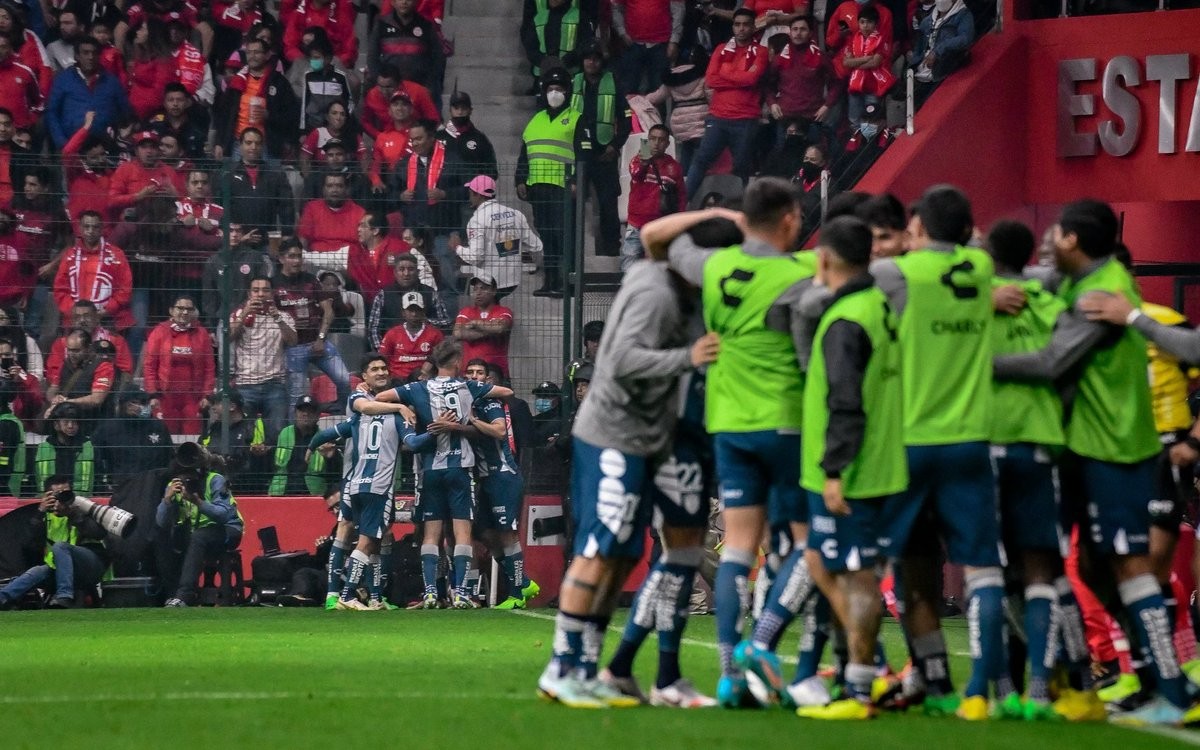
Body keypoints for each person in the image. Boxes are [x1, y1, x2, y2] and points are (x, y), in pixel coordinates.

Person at [996, 201, 1197, 725]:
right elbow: (1030, 273)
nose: (1046, 242)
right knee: (1087, 566)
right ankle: (1147, 675)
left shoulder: (1099, 293)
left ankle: (1172, 691)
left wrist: (970, 362)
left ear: (1071, 240)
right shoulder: (1081, 278)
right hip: (1086, 447)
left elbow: (1050, 363)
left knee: (1130, 566)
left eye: (1054, 233)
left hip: (1115, 449)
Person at [536, 213, 721, 708]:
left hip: (643, 438)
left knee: (622, 554)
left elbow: (655, 235)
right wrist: (689, 358)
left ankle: (589, 669)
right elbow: (620, 363)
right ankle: (561, 667)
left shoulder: (670, 283)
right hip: (613, 436)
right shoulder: (656, 293)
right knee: (600, 549)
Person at [644, 182, 817, 709]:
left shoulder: (715, 267)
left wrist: (715, 211)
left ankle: (728, 676)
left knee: (737, 549)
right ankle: (762, 642)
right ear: (789, 219)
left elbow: (658, 239)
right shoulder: (800, 275)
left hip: (729, 423)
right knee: (811, 546)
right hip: (787, 421)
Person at [785, 216, 906, 720]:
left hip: (851, 471)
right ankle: (861, 676)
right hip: (878, 462)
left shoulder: (844, 321)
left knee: (855, 577)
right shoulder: (878, 307)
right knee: (831, 564)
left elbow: (845, 400)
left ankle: (859, 690)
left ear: (827, 258)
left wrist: (834, 469)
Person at [376, 340, 512, 609]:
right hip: (460, 468)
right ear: (456, 361)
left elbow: (381, 397)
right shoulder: (468, 386)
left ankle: (429, 592)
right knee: (462, 532)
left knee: (431, 534)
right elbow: (506, 391)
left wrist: (402, 407)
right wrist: (470, 415)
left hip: (431, 469)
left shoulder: (418, 387)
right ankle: (460, 592)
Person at [334, 353, 425, 610]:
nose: (381, 372)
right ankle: (347, 594)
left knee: (377, 537)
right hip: (377, 485)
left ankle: (374, 597)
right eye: (374, 369)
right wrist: (432, 429)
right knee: (367, 540)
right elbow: (413, 443)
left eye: (384, 368)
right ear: (364, 376)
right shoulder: (368, 401)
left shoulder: (377, 401)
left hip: (360, 483)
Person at [462, 359, 540, 610]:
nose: (475, 376)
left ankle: (517, 592)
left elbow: (498, 432)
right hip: (485, 479)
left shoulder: (490, 402)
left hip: (503, 476)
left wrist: (473, 421)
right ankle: (524, 582)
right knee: (483, 533)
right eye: (470, 372)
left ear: (487, 378)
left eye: (480, 373)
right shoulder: (466, 403)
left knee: (507, 534)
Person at [683, 9, 768, 198]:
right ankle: (681, 207)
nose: (741, 29)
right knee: (701, 160)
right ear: (733, 27)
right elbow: (711, 80)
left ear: (754, 27)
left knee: (742, 167)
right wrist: (740, 78)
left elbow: (751, 80)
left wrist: (727, 71)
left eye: (746, 24)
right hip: (718, 117)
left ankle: (742, 213)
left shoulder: (761, 52)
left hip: (745, 118)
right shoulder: (721, 49)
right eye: (737, 24)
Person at [517, 67, 584, 298]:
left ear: (567, 92)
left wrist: (576, 181)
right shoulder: (536, 119)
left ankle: (567, 283)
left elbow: (583, 155)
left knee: (563, 236)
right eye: (550, 89)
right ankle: (550, 281)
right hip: (539, 187)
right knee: (546, 235)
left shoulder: (576, 118)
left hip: (564, 187)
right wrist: (520, 179)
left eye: (559, 89)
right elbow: (525, 152)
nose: (554, 93)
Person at [392, 120, 466, 319]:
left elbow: (467, 193)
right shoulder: (404, 164)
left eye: (419, 139)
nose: (415, 143)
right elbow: (389, 197)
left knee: (446, 283)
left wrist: (445, 194)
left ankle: (448, 327)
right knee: (411, 283)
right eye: (412, 140)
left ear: (432, 139)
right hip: (413, 237)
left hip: (443, 233)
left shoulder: (452, 160)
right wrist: (400, 196)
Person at [156, 443, 245, 607]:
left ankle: (185, 595)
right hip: (195, 533)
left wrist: (197, 501)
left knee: (199, 536)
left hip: (228, 530)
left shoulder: (215, 480)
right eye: (183, 476)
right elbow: (161, 522)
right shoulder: (174, 485)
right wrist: (167, 500)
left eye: (190, 476)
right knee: (165, 540)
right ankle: (170, 594)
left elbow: (223, 515)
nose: (187, 480)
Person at [0, 476, 108, 609]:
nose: (62, 499)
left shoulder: (82, 508)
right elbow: (29, 545)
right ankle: (2, 597)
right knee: (37, 571)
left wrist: (73, 515)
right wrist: (40, 512)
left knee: (60, 547)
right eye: (57, 496)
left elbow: (98, 534)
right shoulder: (42, 516)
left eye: (66, 494)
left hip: (88, 566)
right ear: (47, 496)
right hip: (59, 570)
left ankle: (64, 597)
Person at [273, 239, 351, 414]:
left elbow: (328, 311)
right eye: (291, 256)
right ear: (281, 259)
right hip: (292, 348)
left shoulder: (311, 280)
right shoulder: (274, 284)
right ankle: (294, 435)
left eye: (299, 256)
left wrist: (321, 338)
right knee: (296, 396)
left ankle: (342, 414)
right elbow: (271, 318)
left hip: (318, 341)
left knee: (345, 380)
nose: (296, 261)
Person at [573, 43, 629, 258]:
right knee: (575, 201)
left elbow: (625, 118)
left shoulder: (613, 82)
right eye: (587, 58)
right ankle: (575, 251)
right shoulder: (574, 82)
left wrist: (615, 145)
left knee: (608, 204)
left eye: (595, 58)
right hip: (579, 154)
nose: (591, 62)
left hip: (605, 153)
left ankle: (612, 249)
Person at [229, 275, 296, 441]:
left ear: (272, 294)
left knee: (277, 432)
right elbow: (229, 336)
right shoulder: (239, 314)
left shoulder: (284, 317)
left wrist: (277, 318)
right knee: (244, 435)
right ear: (249, 294)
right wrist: (245, 313)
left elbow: (293, 341)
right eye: (256, 290)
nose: (260, 294)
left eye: (265, 290)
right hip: (245, 385)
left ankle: (274, 467)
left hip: (274, 385)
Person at [213, 37, 299, 160]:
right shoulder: (237, 81)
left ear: (267, 55)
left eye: (257, 52)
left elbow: (291, 114)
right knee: (236, 179)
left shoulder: (279, 82)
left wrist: (269, 115)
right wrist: (219, 142)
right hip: (239, 143)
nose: (252, 56)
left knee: (271, 179)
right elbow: (224, 114)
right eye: (249, 52)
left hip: (268, 145)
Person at [457, 175, 542, 297]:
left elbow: (476, 257)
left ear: (478, 195)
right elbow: (536, 246)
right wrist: (513, 246)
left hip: (487, 283)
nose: (469, 197)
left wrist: (458, 248)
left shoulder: (477, 220)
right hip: (512, 281)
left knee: (483, 311)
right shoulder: (515, 214)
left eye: (470, 193)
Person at [142, 295, 214, 436]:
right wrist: (152, 394)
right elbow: (150, 365)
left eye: (189, 309)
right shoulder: (159, 331)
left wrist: (207, 395)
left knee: (192, 440)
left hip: (193, 398)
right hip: (165, 397)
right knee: (165, 437)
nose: (185, 312)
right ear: (171, 311)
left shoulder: (202, 333)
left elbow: (209, 367)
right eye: (180, 308)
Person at [52, 211, 134, 333]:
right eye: (86, 226)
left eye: (95, 227)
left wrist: (107, 309)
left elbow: (125, 288)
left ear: (102, 229)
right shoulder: (70, 256)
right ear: (80, 228)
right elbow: (60, 288)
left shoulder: (116, 255)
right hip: (74, 318)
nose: (90, 231)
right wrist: (75, 311)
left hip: (108, 317)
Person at [46, 35, 130, 150]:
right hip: (72, 147)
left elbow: (124, 112)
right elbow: (52, 113)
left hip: (105, 149)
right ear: (77, 56)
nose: (91, 57)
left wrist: (114, 140)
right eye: (85, 53)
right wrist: (62, 143)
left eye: (94, 53)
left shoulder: (112, 81)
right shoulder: (63, 79)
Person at [623, 124, 686, 271]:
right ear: (647, 140)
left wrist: (679, 220)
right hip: (637, 222)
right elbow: (636, 174)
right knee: (630, 259)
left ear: (667, 144)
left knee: (659, 264)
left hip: (661, 223)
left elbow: (681, 195)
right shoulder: (638, 159)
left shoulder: (674, 166)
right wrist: (645, 160)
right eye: (652, 139)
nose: (656, 143)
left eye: (661, 140)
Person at [767, 16, 835, 150]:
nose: (798, 33)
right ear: (790, 33)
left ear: (810, 33)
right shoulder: (779, 58)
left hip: (812, 118)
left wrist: (827, 106)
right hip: (785, 118)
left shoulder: (821, 57)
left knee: (810, 163)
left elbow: (836, 83)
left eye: (803, 29)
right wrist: (772, 103)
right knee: (784, 165)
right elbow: (768, 85)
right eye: (795, 29)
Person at [92, 387, 173, 491]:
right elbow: (99, 460)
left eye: (144, 403)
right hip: (121, 487)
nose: (140, 407)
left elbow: (168, 457)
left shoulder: (158, 426)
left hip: (153, 487)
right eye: (135, 402)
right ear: (124, 405)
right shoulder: (108, 429)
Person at [367, 0, 445, 105]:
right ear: (393, 2)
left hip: (420, 87)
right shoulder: (381, 24)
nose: (404, 2)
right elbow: (372, 58)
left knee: (434, 91)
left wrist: (428, 84)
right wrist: (381, 83)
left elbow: (437, 58)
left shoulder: (426, 25)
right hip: (389, 87)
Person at [224, 128, 296, 239]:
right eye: (248, 143)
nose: (253, 147)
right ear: (240, 145)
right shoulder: (228, 174)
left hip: (268, 240)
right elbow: (220, 206)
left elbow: (286, 207)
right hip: (236, 240)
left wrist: (287, 234)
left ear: (262, 147)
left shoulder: (275, 174)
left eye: (257, 143)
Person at [200, 223, 274, 326]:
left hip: (252, 317)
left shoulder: (255, 257)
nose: (234, 234)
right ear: (221, 233)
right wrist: (210, 325)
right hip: (224, 319)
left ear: (243, 233)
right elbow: (209, 297)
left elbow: (264, 288)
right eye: (230, 231)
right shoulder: (213, 261)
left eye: (238, 231)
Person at [44, 328, 115, 430]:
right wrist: (54, 400)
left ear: (88, 348)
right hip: (69, 423)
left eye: (76, 350)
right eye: (69, 350)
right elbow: (52, 389)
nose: (71, 354)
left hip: (93, 423)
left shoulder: (102, 365)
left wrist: (67, 401)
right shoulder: (65, 363)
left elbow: (97, 399)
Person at [296, 171, 367, 273]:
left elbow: (365, 246)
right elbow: (303, 239)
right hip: (317, 263)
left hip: (347, 267)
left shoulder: (359, 212)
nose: (334, 190)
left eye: (339, 186)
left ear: (347, 189)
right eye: (330, 186)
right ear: (323, 189)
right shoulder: (312, 208)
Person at [369, 251, 441, 348]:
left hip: (426, 351)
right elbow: (373, 329)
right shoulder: (383, 295)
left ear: (418, 272)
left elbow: (444, 323)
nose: (406, 273)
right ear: (395, 272)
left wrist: (426, 321)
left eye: (411, 269)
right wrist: (383, 355)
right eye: (401, 269)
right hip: (393, 352)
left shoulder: (430, 293)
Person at [611, 0, 684, 95]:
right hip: (632, 44)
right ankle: (629, 110)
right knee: (628, 89)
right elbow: (616, 7)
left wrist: (674, 40)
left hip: (660, 44)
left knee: (659, 90)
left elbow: (678, 11)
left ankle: (658, 110)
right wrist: (622, 32)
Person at [268, 395, 335, 496]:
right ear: (295, 413)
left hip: (313, 494)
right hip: (281, 492)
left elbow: (334, 473)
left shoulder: (325, 439)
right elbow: (269, 464)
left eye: (310, 411)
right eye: (301, 410)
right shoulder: (282, 433)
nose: (305, 414)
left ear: (318, 415)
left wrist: (332, 458)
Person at [454, 272, 514, 376]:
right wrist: (490, 330)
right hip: (469, 371)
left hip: (496, 372)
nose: (478, 292)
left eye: (484, 288)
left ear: (494, 291)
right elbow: (458, 333)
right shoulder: (466, 311)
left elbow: (500, 328)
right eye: (475, 289)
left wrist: (475, 323)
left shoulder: (503, 311)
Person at [379, 291, 443, 383]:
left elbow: (442, 357)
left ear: (423, 311)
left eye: (417, 310)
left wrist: (431, 364)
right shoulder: (393, 333)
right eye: (410, 310)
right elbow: (382, 358)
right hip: (397, 380)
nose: (414, 314)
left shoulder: (435, 334)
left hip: (423, 379)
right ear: (403, 312)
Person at [437, 92, 497, 181]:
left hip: (472, 191)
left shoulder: (480, 138)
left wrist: (478, 185)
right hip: (442, 191)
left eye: (464, 108)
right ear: (450, 110)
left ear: (470, 110)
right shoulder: (439, 137)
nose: (460, 112)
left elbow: (491, 170)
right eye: (456, 108)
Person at [35, 404, 95, 493]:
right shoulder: (42, 448)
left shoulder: (89, 447)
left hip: (82, 503)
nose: (70, 426)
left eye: (74, 422)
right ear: (56, 424)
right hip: (50, 503)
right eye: (66, 421)